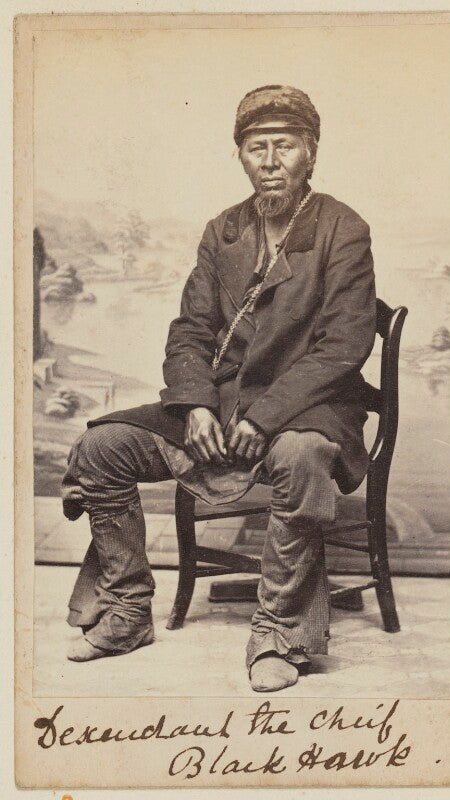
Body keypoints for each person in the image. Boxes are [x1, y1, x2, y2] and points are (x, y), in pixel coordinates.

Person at [61, 85, 376, 692]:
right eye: (257, 148)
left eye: (285, 146)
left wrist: (266, 416)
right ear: (241, 156)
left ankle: (281, 633)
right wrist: (197, 405)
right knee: (102, 448)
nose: (270, 161)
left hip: (312, 405)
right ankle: (127, 610)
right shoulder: (223, 230)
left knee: (301, 456)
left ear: (311, 153)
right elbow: (191, 329)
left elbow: (343, 346)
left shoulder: (343, 228)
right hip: (224, 405)